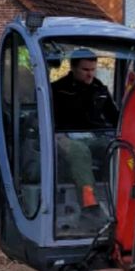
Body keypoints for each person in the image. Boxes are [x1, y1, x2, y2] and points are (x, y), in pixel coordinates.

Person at [51, 50, 119, 217]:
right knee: (79, 151)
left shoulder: (100, 89)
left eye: (93, 69)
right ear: (73, 67)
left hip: (94, 136)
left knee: (116, 147)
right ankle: (89, 204)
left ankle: (121, 196)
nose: (90, 74)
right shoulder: (57, 90)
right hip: (64, 136)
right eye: (85, 70)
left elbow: (116, 118)